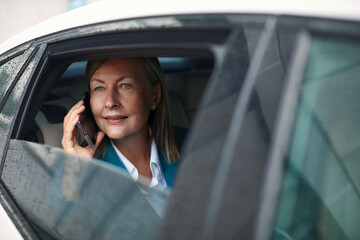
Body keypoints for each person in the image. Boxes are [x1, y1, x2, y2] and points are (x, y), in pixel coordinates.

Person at [62, 57, 181, 192]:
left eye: (125, 85)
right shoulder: (84, 166)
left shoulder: (195, 146)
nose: (110, 102)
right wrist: (74, 175)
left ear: (155, 95)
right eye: (99, 88)